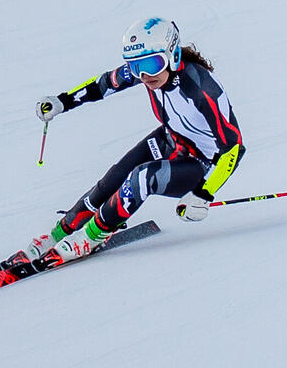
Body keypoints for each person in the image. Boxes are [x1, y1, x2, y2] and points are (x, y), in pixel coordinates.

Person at [28, 17, 245, 265]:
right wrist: (62, 102)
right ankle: (60, 232)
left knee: (143, 177)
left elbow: (235, 148)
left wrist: (204, 193)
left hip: (202, 164)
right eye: (135, 66)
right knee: (115, 177)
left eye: (152, 64)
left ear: (172, 55)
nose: (144, 75)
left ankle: (92, 236)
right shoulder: (149, 72)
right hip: (171, 140)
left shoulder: (202, 90)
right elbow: (103, 85)